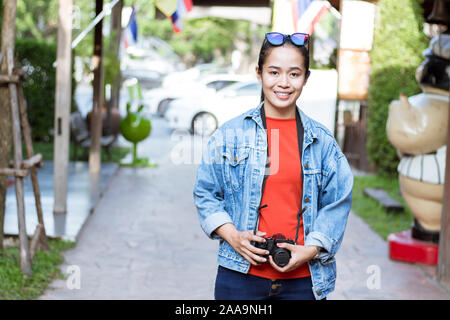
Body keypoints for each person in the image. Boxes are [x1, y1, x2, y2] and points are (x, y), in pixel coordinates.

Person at [193, 32, 353, 300]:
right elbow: (205, 193)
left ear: (306, 78)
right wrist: (233, 236)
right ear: (259, 73)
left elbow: (338, 200)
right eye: (274, 72)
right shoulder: (230, 134)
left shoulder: (322, 141)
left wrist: (311, 249)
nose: (284, 83)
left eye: (294, 74)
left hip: (304, 281)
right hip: (239, 278)